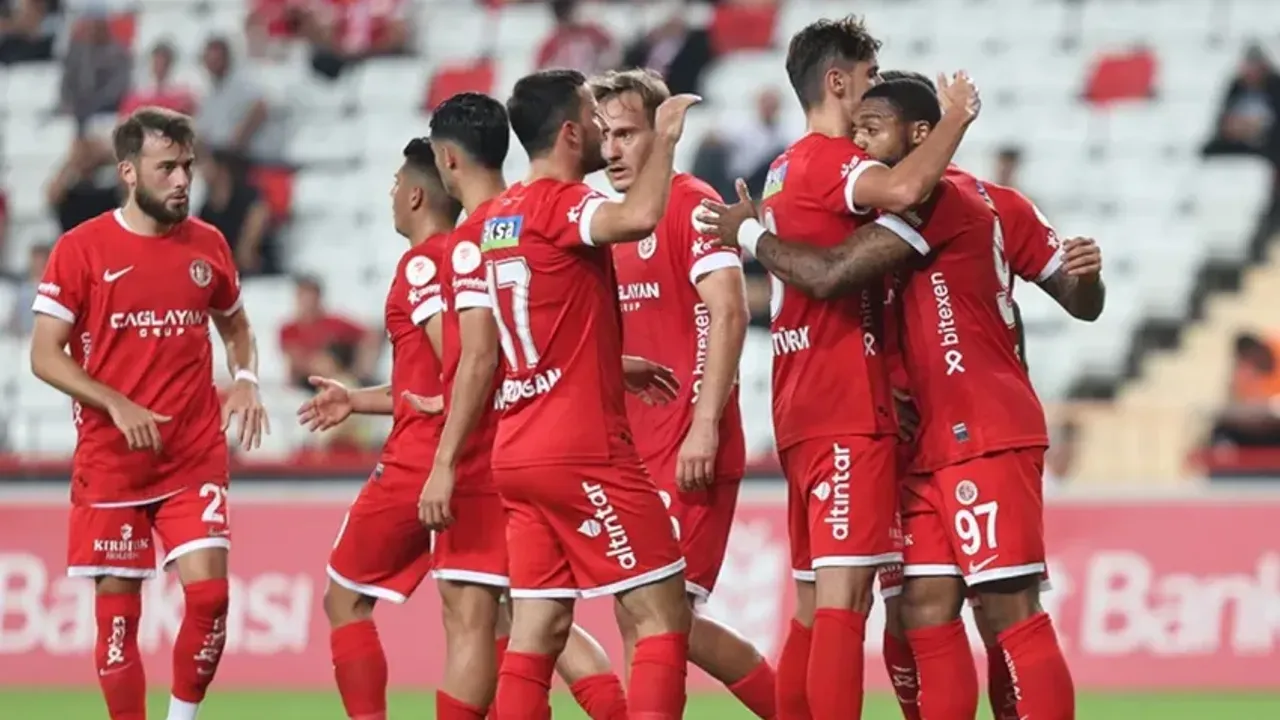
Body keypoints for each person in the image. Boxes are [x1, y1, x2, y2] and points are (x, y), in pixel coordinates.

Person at [699, 78, 1102, 720]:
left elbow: (828, 276)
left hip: (982, 431)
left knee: (1006, 609)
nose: (857, 142)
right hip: (915, 446)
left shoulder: (947, 200)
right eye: (855, 127)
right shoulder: (877, 212)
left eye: (872, 128)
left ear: (919, 136)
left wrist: (1089, 277)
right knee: (921, 610)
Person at [718, 15, 978, 720]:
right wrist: (956, 118)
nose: (875, 91)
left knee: (811, 601)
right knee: (845, 599)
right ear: (836, 82)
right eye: (868, 78)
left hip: (799, 398)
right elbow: (903, 192)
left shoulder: (782, 167)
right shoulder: (828, 159)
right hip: (842, 402)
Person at [28, 106, 268, 720]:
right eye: (167, 168)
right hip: (113, 460)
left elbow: (236, 326)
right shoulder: (81, 249)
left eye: (188, 166)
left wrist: (245, 380)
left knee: (211, 599)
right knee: (118, 623)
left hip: (192, 453)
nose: (182, 180)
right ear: (129, 172)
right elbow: (44, 355)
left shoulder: (208, 245)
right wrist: (114, 402)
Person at [484, 68, 697, 719]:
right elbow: (637, 217)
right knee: (661, 613)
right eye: (594, 116)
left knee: (539, 627)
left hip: (517, 450)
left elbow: (536, 316)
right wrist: (665, 138)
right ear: (571, 133)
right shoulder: (562, 202)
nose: (605, 129)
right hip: (580, 449)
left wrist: (606, 362)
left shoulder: (500, 216)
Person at [427, 92, 629, 720]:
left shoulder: (474, 238)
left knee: (486, 616)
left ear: (445, 159)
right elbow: (538, 339)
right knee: (536, 618)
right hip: (542, 437)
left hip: (497, 451)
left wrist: (443, 461)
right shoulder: (523, 215)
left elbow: (480, 358)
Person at [590, 68, 776, 718]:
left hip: (689, 446)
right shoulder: (613, 222)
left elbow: (729, 311)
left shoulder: (691, 202)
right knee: (648, 618)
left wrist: (704, 425)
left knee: (662, 618)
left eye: (626, 134)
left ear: (660, 132)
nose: (612, 150)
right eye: (604, 136)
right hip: (633, 452)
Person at [295, 138, 460, 720]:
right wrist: (354, 401)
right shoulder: (468, 258)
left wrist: (447, 411)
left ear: (415, 195)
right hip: (475, 456)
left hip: (420, 463)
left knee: (344, 599)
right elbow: (427, 382)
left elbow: (458, 364)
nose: (390, 194)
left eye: (395, 184)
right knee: (509, 618)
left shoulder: (421, 264)